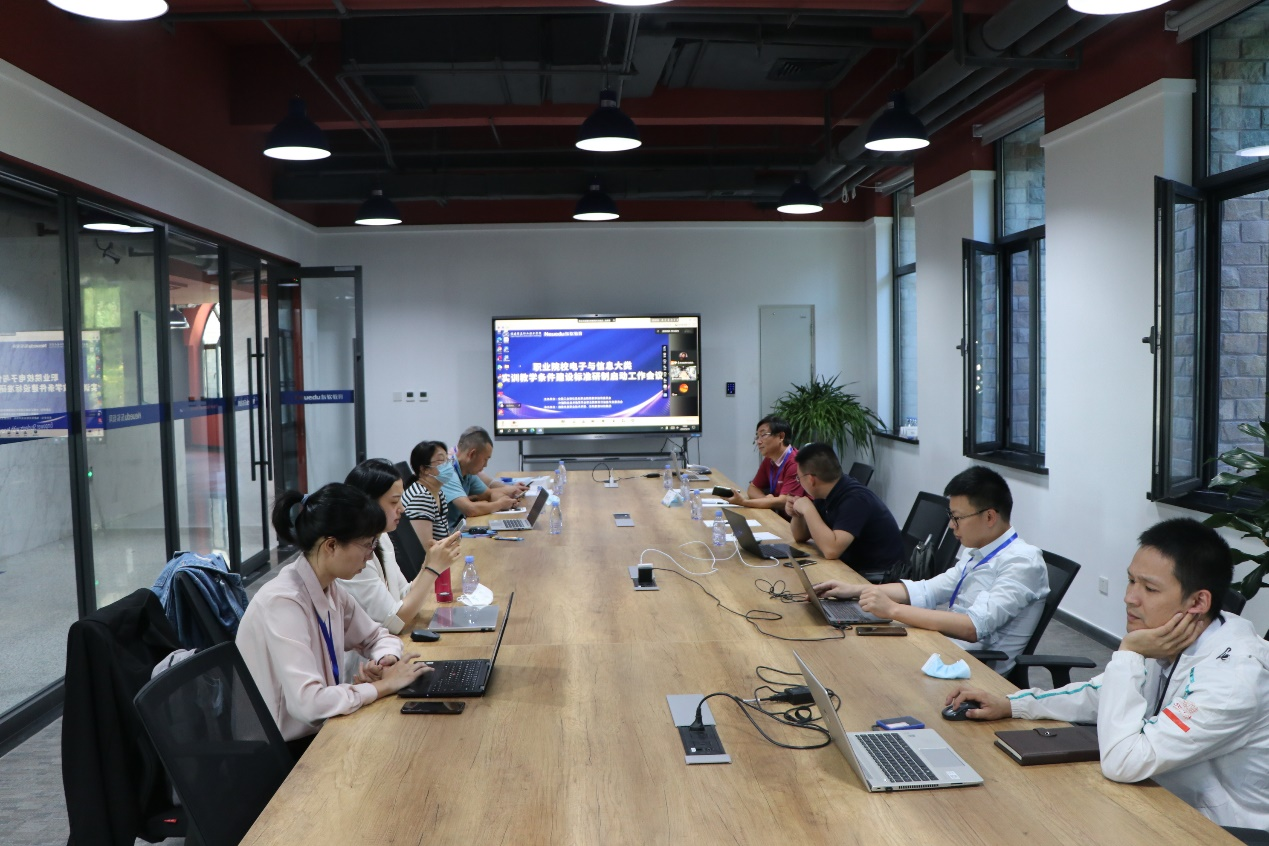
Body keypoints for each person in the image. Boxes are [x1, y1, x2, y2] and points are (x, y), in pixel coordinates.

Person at [946, 518, 1269, 831]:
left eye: (1149, 588)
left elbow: (1123, 763)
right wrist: (1013, 704)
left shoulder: (1234, 681)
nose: (1130, 597)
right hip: (1160, 798)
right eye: (1131, 581)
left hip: (1221, 829)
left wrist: (1129, 652)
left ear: (1198, 601)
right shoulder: (1175, 636)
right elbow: (1101, 693)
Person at [236, 483, 432, 754]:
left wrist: (385, 660)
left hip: (321, 730)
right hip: (279, 752)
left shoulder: (330, 588)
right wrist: (384, 685)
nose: (370, 556)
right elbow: (310, 704)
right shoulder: (282, 602)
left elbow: (377, 636)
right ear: (331, 545)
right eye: (367, 545)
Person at [813, 465, 1047, 674]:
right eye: (950, 516)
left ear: (989, 517)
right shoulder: (977, 552)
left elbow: (973, 627)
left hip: (974, 671)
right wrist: (855, 589)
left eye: (957, 518)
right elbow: (929, 590)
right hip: (945, 649)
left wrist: (892, 609)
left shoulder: (1022, 562)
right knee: (850, 649)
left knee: (865, 664)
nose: (951, 525)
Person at [340, 459, 456, 638]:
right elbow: (394, 622)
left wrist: (428, 564)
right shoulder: (353, 553)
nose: (402, 508)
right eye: (394, 502)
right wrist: (432, 570)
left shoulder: (381, 537)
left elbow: (401, 595)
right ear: (368, 503)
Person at [785, 442, 904, 579]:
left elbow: (831, 550)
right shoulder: (824, 493)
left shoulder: (855, 499)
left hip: (878, 578)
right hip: (852, 568)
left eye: (798, 478)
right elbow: (800, 536)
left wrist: (807, 509)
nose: (799, 482)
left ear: (811, 479)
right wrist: (798, 513)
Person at [436, 426, 524, 526]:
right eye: (485, 459)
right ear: (472, 454)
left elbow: (489, 494)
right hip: (446, 534)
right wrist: (500, 504)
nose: (486, 465)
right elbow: (470, 509)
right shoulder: (448, 472)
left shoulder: (467, 472)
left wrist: (507, 501)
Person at [726, 415, 806, 513]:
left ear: (781, 436)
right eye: (757, 436)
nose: (758, 442)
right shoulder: (770, 459)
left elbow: (785, 501)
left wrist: (743, 502)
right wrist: (766, 500)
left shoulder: (795, 462)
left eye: (763, 435)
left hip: (793, 519)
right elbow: (752, 488)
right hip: (776, 515)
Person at [401, 440, 463, 558]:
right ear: (424, 469)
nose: (448, 465)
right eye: (441, 461)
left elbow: (443, 536)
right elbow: (425, 550)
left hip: (441, 557)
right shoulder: (421, 497)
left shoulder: (438, 492)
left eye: (447, 460)